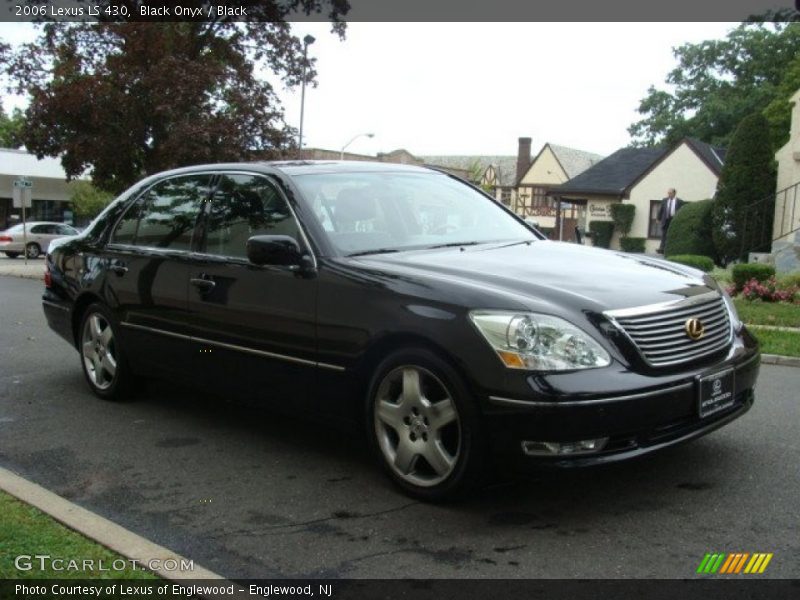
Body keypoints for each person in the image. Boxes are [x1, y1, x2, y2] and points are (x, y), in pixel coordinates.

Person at [656, 188, 684, 254]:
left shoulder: (679, 201)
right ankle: (662, 249)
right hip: (666, 219)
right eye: (668, 193)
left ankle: (673, 249)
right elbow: (661, 210)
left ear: (674, 193)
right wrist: (658, 218)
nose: (669, 194)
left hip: (674, 220)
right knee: (664, 234)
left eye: (670, 193)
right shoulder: (664, 200)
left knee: (673, 234)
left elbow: (682, 211)